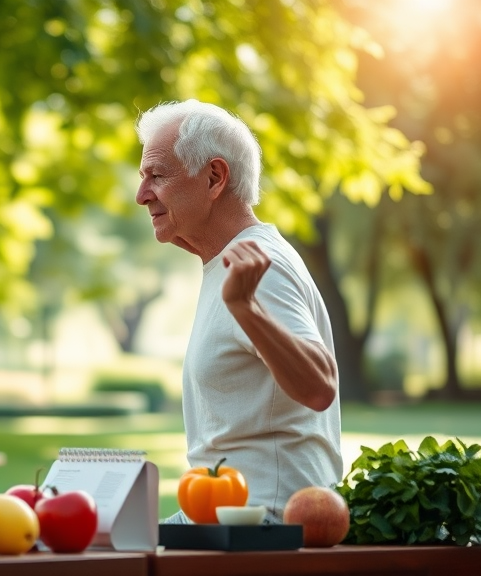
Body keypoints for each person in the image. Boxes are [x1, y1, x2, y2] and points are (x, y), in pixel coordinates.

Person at [134, 100, 342, 524]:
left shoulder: (261, 267)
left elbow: (320, 387)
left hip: (265, 521)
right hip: (224, 513)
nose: (142, 195)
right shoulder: (229, 260)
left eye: (157, 176)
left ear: (214, 178)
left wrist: (246, 308)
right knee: (102, 543)